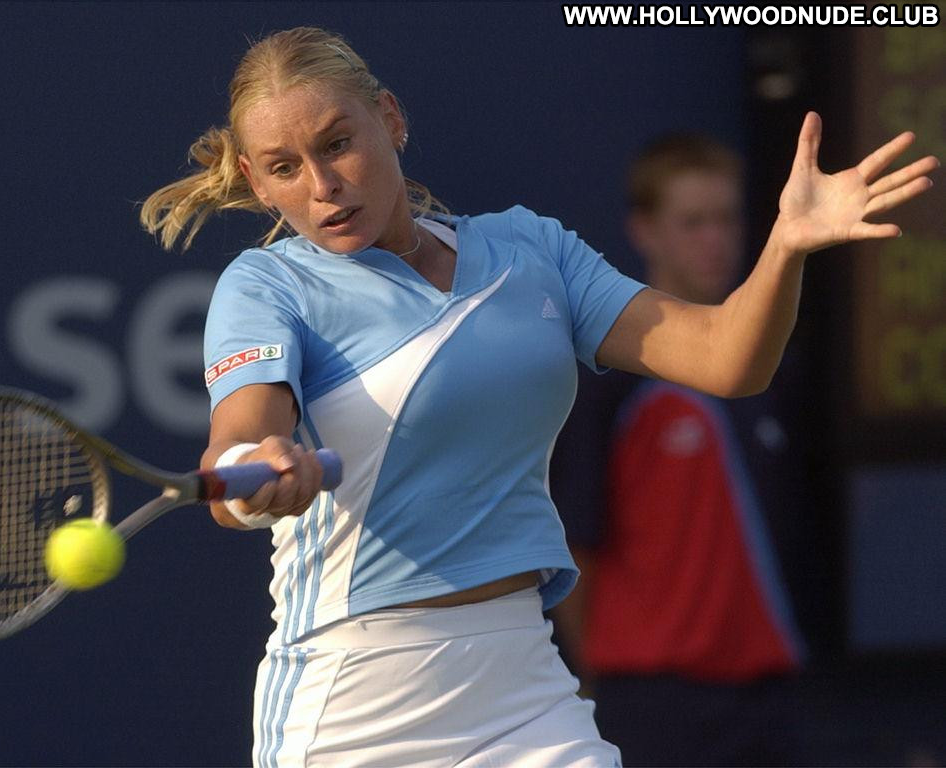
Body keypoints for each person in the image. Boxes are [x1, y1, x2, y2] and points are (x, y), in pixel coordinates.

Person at [138, 26, 937, 768]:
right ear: (256, 182)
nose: (322, 186)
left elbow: (727, 359)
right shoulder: (267, 285)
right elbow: (239, 441)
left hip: (524, 686)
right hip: (354, 697)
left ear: (390, 118)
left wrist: (787, 245)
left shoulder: (530, 248)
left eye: (337, 144)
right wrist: (258, 471)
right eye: (284, 168)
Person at [548, 135, 817, 766]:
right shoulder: (606, 380)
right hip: (651, 702)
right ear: (645, 231)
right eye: (693, 222)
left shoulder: (776, 369)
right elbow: (573, 547)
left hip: (769, 696)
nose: (715, 240)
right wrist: (594, 680)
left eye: (727, 219)